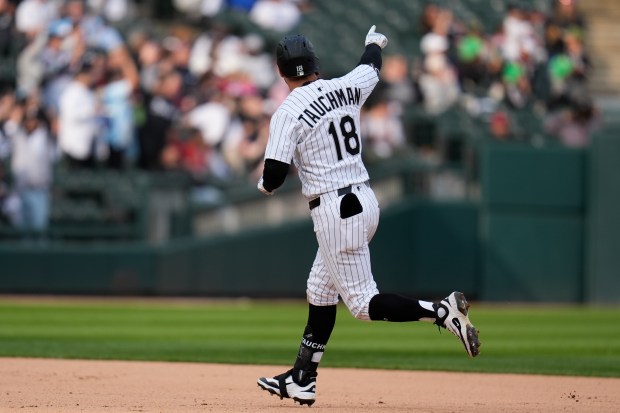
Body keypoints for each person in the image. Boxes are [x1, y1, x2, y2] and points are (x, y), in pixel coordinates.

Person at [255, 26, 481, 406]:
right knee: (320, 291)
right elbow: (371, 65)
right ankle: (302, 378)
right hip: (364, 199)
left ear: (281, 72)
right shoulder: (347, 87)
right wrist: (373, 43)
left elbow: (274, 176)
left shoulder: (287, 112)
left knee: (362, 304)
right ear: (314, 63)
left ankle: (443, 311)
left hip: (334, 210)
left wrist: (263, 184)